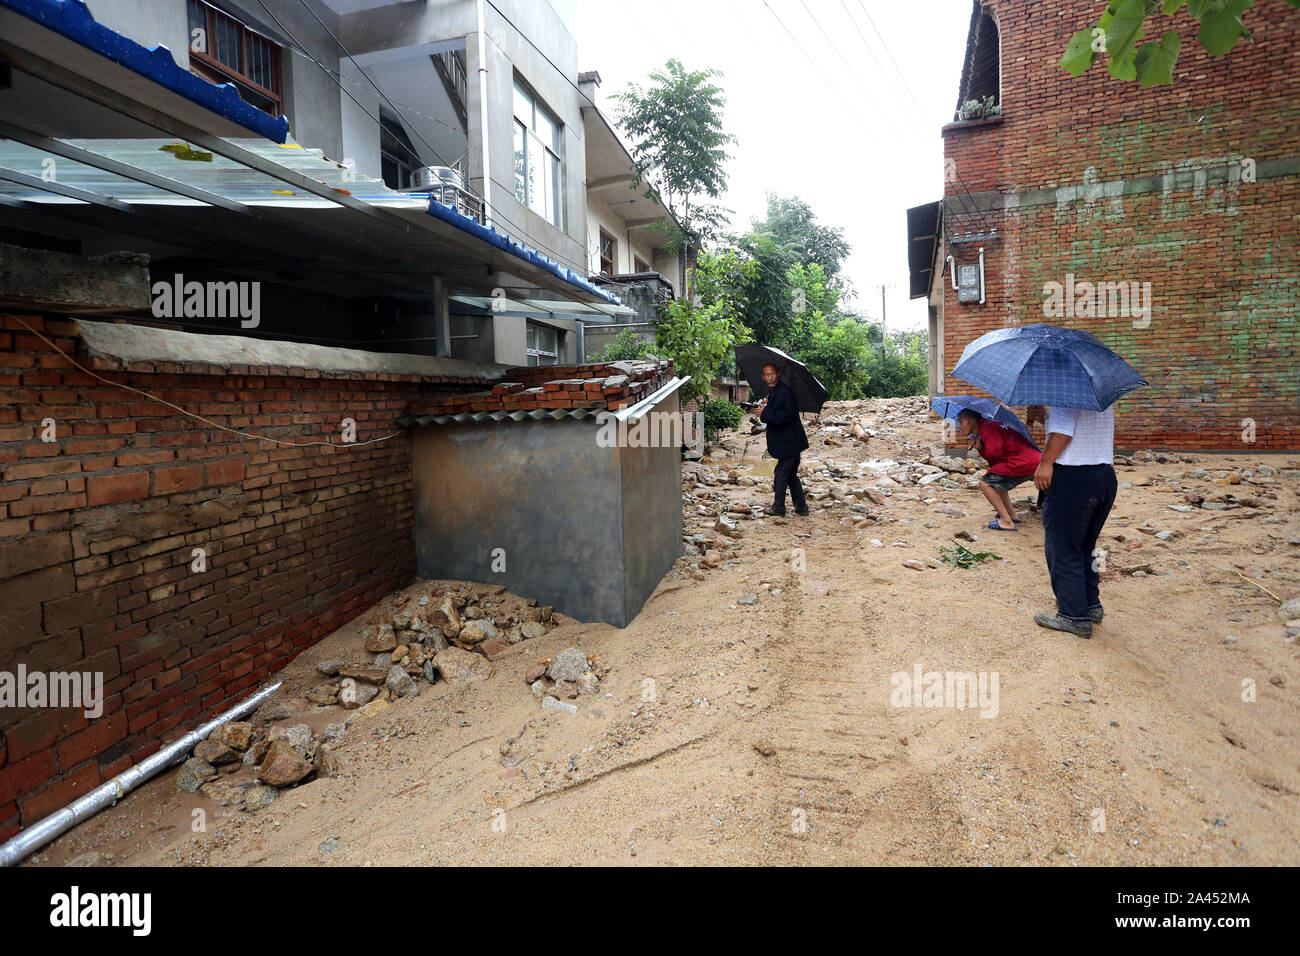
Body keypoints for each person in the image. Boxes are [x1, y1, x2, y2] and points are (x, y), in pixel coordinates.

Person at [1032, 403, 1118, 638]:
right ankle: (1091, 606)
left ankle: (1073, 615)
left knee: (1063, 548)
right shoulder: (1096, 396)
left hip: (1073, 479)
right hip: (1103, 476)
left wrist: (1045, 463)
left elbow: (1063, 434)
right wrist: (1044, 419)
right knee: (1085, 547)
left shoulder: (1064, 392)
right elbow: (1078, 432)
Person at [957, 409, 1041, 531]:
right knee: (998, 484)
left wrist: (981, 448)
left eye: (961, 421)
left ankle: (1006, 522)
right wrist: (981, 446)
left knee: (985, 483)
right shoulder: (988, 426)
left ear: (973, 421)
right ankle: (1012, 515)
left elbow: (994, 455)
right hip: (1032, 460)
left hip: (1023, 462)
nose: (959, 426)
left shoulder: (988, 428)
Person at [755, 362, 809, 517]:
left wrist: (764, 413)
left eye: (772, 373)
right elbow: (777, 411)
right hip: (791, 441)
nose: (770, 377)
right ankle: (801, 508)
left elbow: (787, 415)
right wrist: (766, 408)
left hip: (789, 441)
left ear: (777, 374)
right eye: (767, 374)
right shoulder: (773, 392)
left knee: (780, 473)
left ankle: (778, 508)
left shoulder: (784, 391)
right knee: (791, 475)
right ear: (763, 377)